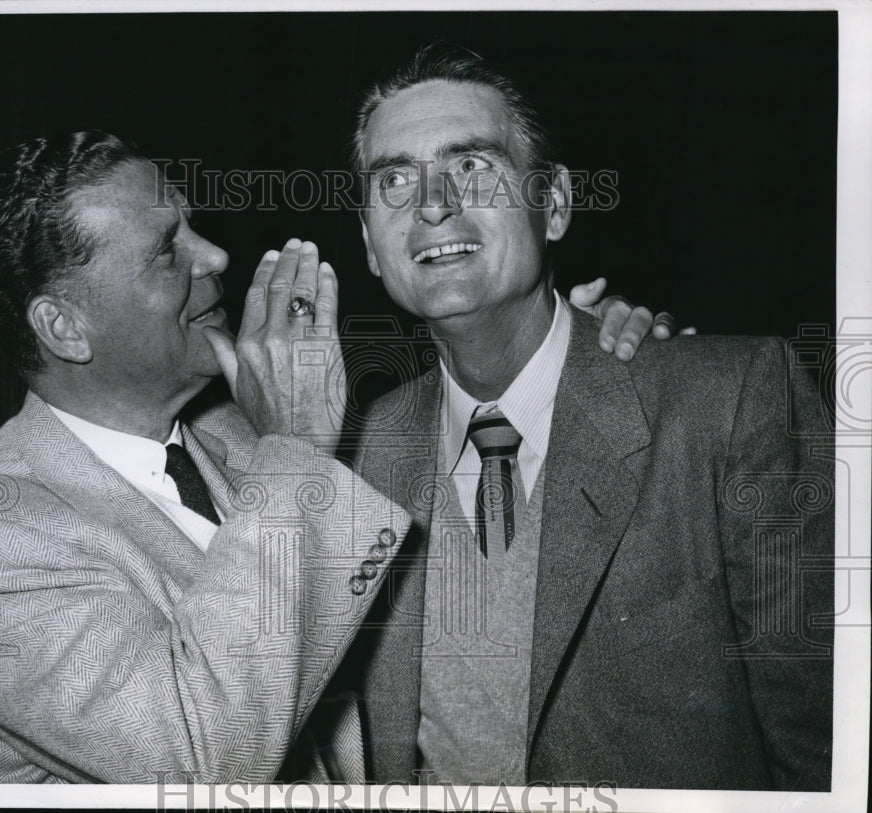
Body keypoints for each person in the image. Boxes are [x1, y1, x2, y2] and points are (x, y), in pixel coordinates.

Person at [0, 130, 661, 783]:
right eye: (167, 250)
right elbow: (202, 757)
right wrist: (296, 447)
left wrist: (560, 361)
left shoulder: (232, 433)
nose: (215, 255)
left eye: (192, 225)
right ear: (64, 328)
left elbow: (437, 488)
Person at [346, 45, 834, 791]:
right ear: (370, 248)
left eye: (473, 164)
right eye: (394, 178)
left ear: (557, 203)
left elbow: (824, 750)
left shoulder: (728, 403)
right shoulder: (359, 450)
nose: (432, 203)